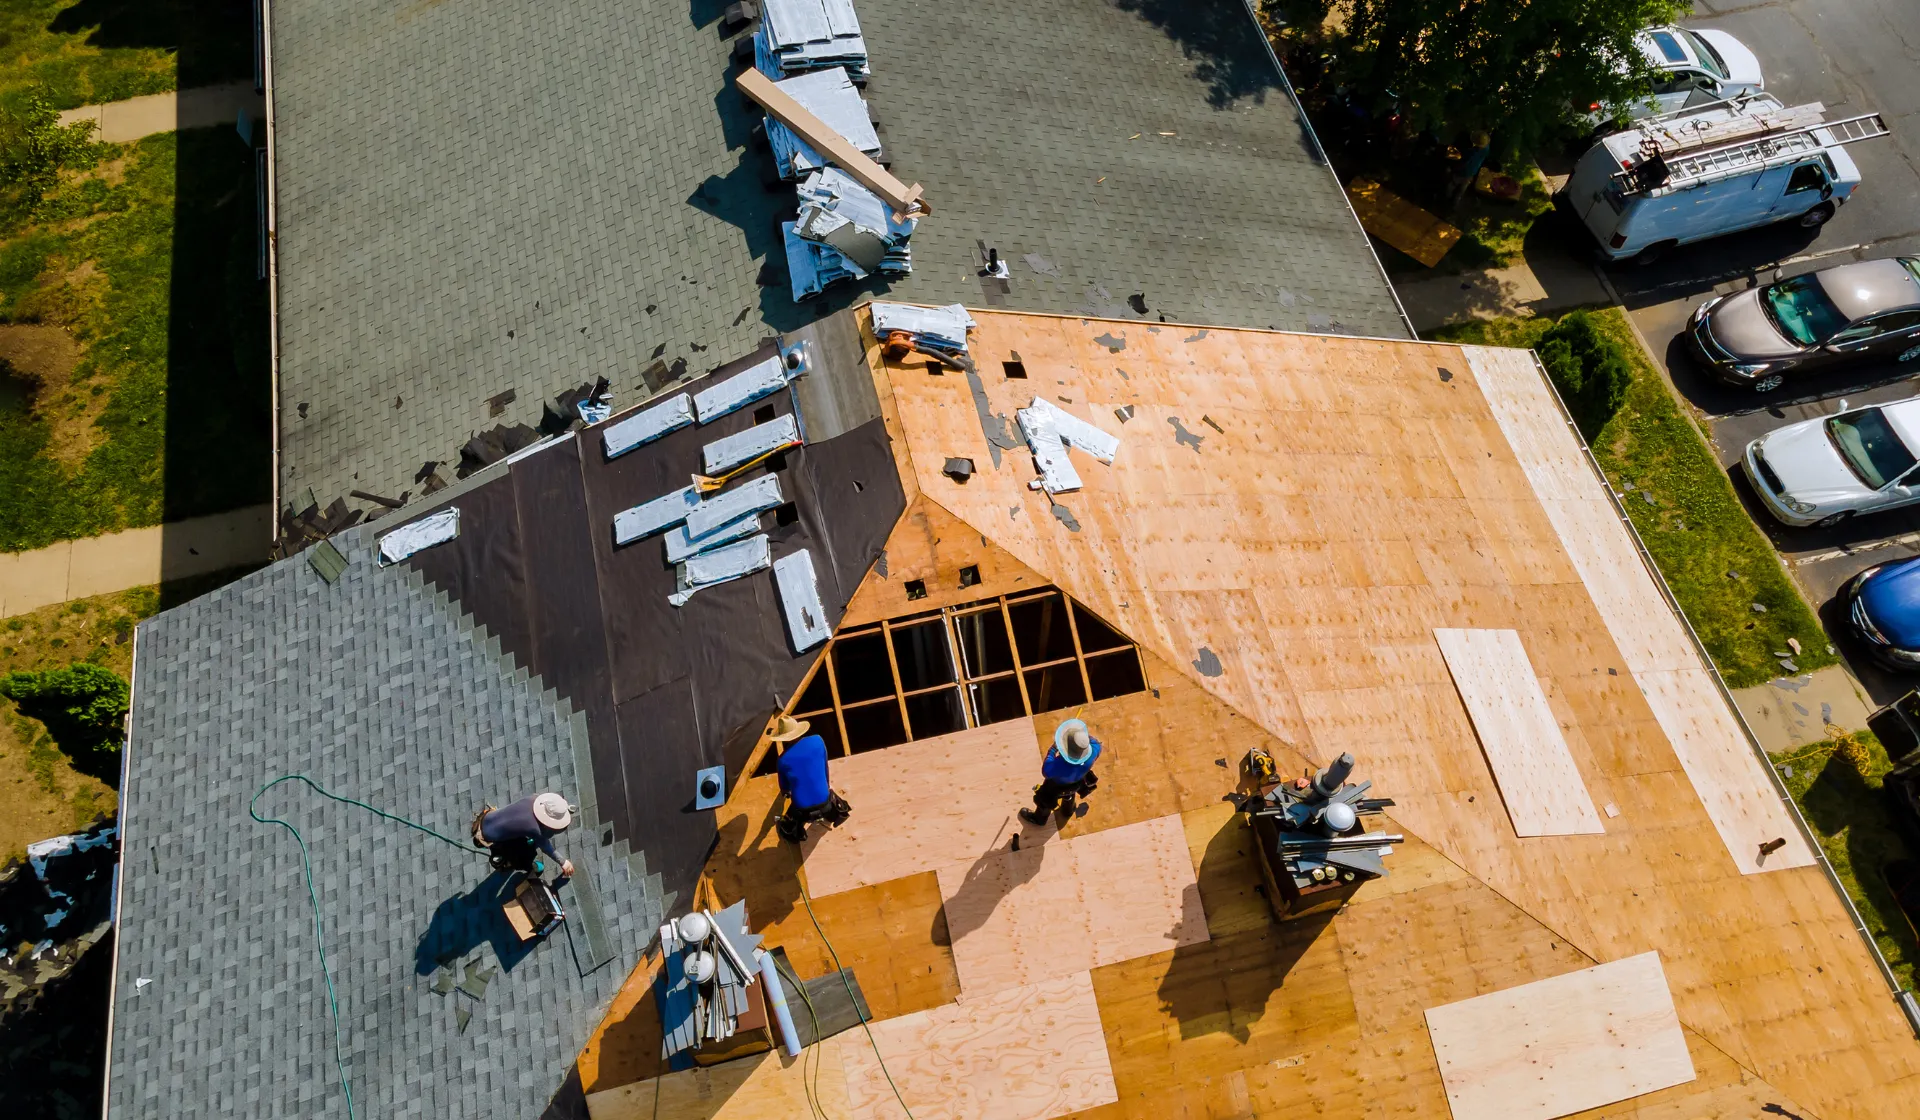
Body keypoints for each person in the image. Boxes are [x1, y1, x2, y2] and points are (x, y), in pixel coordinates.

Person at [772, 718, 851, 844]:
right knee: (832, 800)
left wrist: (787, 791)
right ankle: (834, 814)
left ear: (782, 738)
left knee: (787, 824)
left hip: (802, 811)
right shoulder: (817, 740)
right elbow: (825, 766)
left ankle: (794, 832)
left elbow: (786, 790)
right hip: (825, 803)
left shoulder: (782, 760)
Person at [1020, 719, 1103, 826]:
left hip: (1055, 787)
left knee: (1044, 801)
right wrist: (1080, 738)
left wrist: (1053, 750)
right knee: (1069, 795)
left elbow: (1046, 771)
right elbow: (1093, 740)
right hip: (1077, 782)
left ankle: (1039, 819)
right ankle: (1067, 811)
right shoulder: (1095, 748)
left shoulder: (1059, 765)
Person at [473, 792, 575, 878]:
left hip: (487, 818)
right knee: (523, 855)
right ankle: (524, 864)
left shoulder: (534, 798)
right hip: (487, 837)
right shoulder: (534, 828)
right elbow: (545, 846)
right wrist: (563, 862)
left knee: (524, 837)